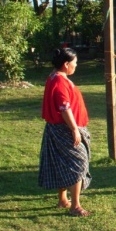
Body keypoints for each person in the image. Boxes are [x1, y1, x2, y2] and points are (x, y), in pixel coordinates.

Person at [38, 48, 92, 217]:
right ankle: (75, 206)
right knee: (78, 163)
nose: (76, 66)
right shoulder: (59, 82)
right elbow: (64, 107)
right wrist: (74, 129)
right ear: (66, 64)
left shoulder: (54, 77)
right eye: (75, 63)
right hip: (65, 129)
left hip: (58, 127)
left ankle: (62, 199)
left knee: (61, 162)